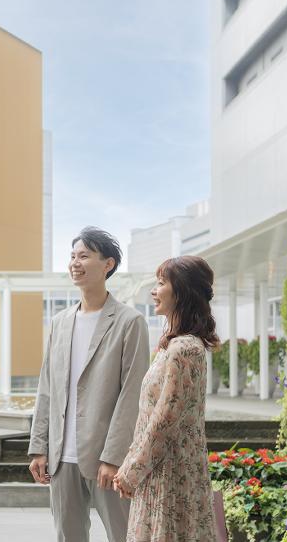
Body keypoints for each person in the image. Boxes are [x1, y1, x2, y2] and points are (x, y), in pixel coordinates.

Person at [28, 226, 150, 542]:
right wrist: (39, 447)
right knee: (68, 536)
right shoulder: (59, 322)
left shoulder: (129, 322)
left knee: (123, 535)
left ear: (107, 264)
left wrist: (113, 457)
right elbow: (46, 388)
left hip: (106, 459)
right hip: (60, 458)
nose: (75, 263)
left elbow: (131, 395)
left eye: (84, 256)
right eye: (72, 256)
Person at [113, 255, 219, 541]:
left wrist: (132, 470)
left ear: (181, 291)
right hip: (160, 471)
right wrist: (130, 464)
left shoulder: (184, 349)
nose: (153, 290)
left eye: (161, 283)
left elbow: (165, 420)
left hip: (169, 478)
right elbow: (150, 416)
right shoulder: (174, 345)